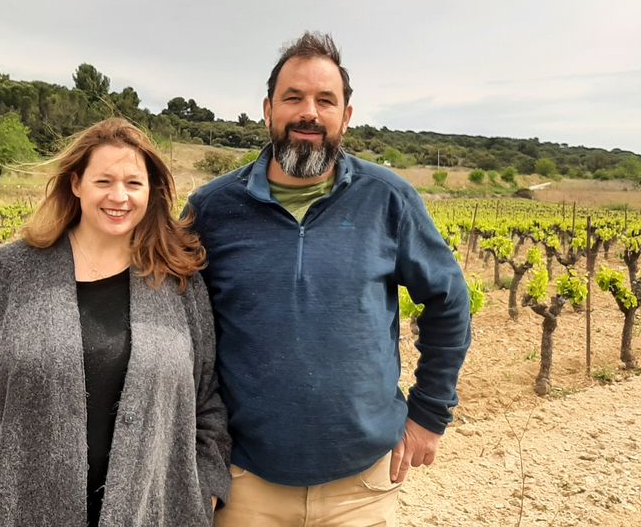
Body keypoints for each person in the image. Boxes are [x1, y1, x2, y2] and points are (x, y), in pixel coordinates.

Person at [186, 32, 472, 525]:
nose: (308, 113)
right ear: (267, 109)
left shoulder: (388, 198)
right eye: (293, 97)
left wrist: (428, 415)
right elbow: (176, 327)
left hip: (361, 485)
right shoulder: (212, 209)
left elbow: (448, 300)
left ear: (347, 115)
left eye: (325, 100)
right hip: (246, 482)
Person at [0, 117, 231, 527]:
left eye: (133, 183)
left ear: (151, 191)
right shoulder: (11, 271)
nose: (119, 196)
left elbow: (207, 401)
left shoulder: (178, 281)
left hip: (154, 513)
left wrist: (202, 494)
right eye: (103, 181)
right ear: (76, 184)